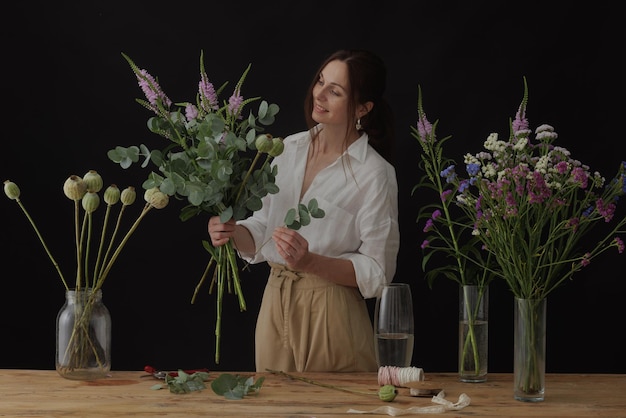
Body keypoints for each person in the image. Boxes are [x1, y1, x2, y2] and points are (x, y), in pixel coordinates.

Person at [208, 49, 400, 372]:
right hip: (275, 303)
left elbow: (378, 273)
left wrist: (310, 261)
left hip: (332, 312)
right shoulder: (288, 149)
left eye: (335, 91)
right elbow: (262, 228)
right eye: (320, 82)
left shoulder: (375, 174)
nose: (319, 94)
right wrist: (232, 232)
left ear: (363, 108)